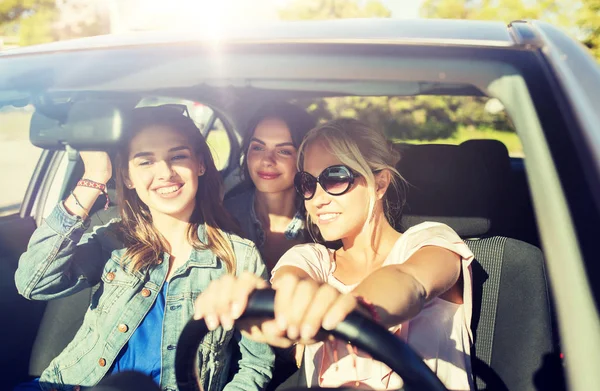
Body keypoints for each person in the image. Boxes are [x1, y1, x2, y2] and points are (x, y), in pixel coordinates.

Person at [194, 118, 475, 390]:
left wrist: (351, 311)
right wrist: (257, 308)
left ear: (379, 184)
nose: (317, 198)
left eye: (336, 178)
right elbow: (288, 289)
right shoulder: (310, 258)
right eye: (307, 183)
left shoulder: (431, 241)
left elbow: (407, 281)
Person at [14, 106, 274, 391]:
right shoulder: (113, 239)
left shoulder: (239, 258)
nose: (165, 172)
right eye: (145, 162)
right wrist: (95, 176)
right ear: (127, 177)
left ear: (200, 164)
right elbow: (33, 283)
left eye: (177, 156)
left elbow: (256, 364)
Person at [225, 102, 316, 272]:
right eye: (258, 147)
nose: (267, 160)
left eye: (284, 151)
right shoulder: (224, 217)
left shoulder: (322, 218)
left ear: (305, 158)